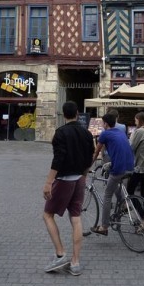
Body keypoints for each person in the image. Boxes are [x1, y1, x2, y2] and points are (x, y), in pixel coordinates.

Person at [42, 101, 94, 277]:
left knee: (48, 214)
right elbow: (90, 156)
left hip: (64, 179)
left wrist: (49, 182)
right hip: (80, 178)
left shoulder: (60, 133)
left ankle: (60, 253)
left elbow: (58, 158)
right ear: (78, 113)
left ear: (63, 114)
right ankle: (75, 262)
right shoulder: (86, 133)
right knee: (76, 218)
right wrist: (84, 174)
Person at [90, 113, 135, 237]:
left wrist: (88, 166)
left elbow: (96, 151)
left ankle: (104, 227)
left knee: (107, 195)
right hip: (130, 166)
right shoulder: (121, 132)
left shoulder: (105, 134)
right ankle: (124, 204)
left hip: (119, 168)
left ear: (105, 124)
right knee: (115, 184)